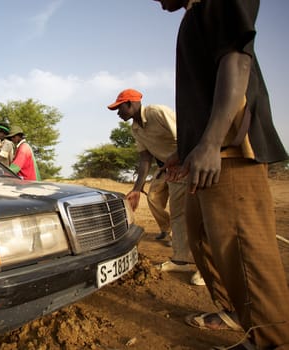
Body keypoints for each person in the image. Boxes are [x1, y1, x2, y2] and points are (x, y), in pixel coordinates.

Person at [154, 0, 289, 348]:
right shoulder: (194, 16)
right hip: (205, 155)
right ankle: (233, 312)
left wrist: (212, 142)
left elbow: (236, 59)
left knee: (245, 251)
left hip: (229, 151)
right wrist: (182, 151)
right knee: (201, 239)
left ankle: (272, 339)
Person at [107, 88, 203, 286]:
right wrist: (136, 188)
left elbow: (186, 137)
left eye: (119, 108)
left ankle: (207, 269)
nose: (118, 113)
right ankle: (180, 259)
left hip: (192, 166)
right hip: (173, 172)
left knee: (200, 217)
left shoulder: (157, 112)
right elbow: (144, 159)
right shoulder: (135, 129)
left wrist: (176, 160)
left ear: (130, 104)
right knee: (178, 215)